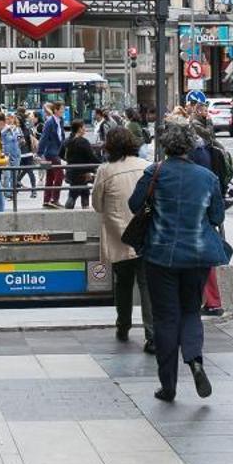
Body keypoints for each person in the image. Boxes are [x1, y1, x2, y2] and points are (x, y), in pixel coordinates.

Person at [129, 123, 229, 402]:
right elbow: (217, 217)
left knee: (165, 318)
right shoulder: (207, 178)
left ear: (165, 146)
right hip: (197, 256)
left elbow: (134, 205)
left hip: (160, 256)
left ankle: (168, 385)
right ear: (190, 147)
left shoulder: (155, 173)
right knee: (190, 312)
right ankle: (195, 360)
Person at [91, 125, 155, 351]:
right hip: (145, 234)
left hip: (119, 235)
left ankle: (123, 324)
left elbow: (97, 205)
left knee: (123, 283)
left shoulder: (105, 171)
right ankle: (152, 334)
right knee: (147, 284)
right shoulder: (146, 166)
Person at [62, 120, 97, 208]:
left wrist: (69, 160)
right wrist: (101, 163)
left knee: (83, 191)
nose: (85, 129)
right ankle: (71, 212)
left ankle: (84, 209)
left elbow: (61, 154)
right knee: (74, 194)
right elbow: (91, 157)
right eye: (84, 127)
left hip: (71, 171)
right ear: (79, 129)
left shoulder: (67, 141)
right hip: (83, 172)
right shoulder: (83, 142)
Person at [38, 102, 65, 208]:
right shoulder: (50, 122)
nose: (63, 111)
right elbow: (44, 137)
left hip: (57, 152)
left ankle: (47, 200)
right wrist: (40, 153)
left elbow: (61, 136)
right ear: (56, 110)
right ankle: (54, 199)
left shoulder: (60, 121)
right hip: (51, 153)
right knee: (60, 175)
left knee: (50, 176)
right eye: (62, 110)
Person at [0, 110, 25, 208]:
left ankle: (12, 192)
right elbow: (0, 140)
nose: (9, 120)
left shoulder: (17, 129)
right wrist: (7, 129)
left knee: (15, 174)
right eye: (7, 118)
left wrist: (20, 140)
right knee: (6, 175)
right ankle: (7, 193)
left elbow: (22, 141)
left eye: (11, 118)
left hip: (16, 153)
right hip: (6, 154)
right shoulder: (2, 129)